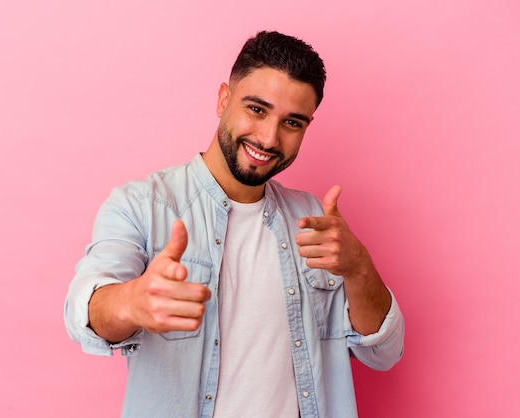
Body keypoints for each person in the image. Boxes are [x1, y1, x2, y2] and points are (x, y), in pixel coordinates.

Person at [65, 30, 404, 418]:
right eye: (257, 109)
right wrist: (131, 303)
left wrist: (359, 268)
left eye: (292, 122)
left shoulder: (312, 219)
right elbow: (84, 308)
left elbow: (384, 352)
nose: (269, 137)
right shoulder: (143, 205)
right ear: (224, 99)